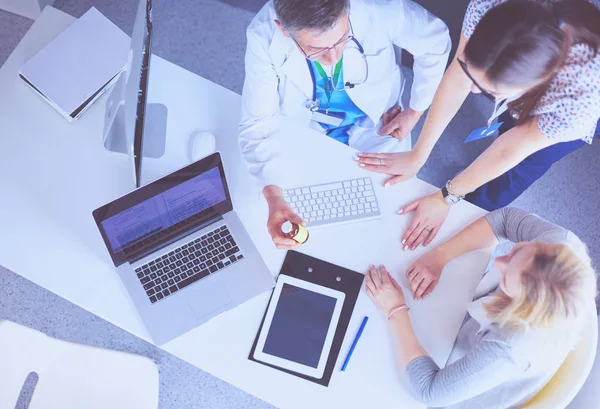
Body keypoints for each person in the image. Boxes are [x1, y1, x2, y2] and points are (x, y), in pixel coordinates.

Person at [356, 0, 600, 251]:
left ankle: (472, 204)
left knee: (522, 166)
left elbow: (513, 149)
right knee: (504, 123)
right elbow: (459, 75)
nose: (472, 89)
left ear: (535, 83)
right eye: (472, 74)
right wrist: (418, 153)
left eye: (487, 90)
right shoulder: (488, 5)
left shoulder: (582, 100)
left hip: (579, 101)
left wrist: (446, 198)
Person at [239, 0, 451, 249]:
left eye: (342, 39)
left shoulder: (378, 8)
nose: (333, 57)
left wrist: (416, 109)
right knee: (306, 219)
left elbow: (435, 42)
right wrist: (273, 196)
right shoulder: (263, 35)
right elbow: (257, 121)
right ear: (283, 30)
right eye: (315, 50)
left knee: (385, 220)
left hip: (380, 126)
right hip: (307, 128)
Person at [365, 207, 597, 408]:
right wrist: (439, 256)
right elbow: (505, 219)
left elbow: (431, 391)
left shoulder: (509, 348)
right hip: (471, 325)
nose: (498, 261)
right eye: (516, 251)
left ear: (522, 307)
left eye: (506, 280)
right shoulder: (561, 243)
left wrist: (395, 310)